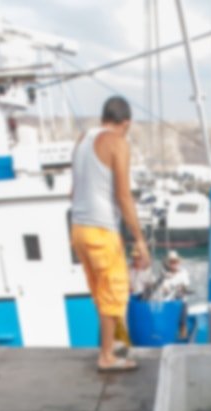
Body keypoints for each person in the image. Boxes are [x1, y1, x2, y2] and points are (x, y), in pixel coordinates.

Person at [70, 95, 150, 372]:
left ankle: (118, 345)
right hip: (101, 229)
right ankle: (107, 357)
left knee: (102, 292)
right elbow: (124, 196)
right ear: (125, 123)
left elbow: (74, 189)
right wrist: (139, 239)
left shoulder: (82, 140)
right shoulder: (118, 142)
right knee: (114, 293)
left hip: (78, 228)